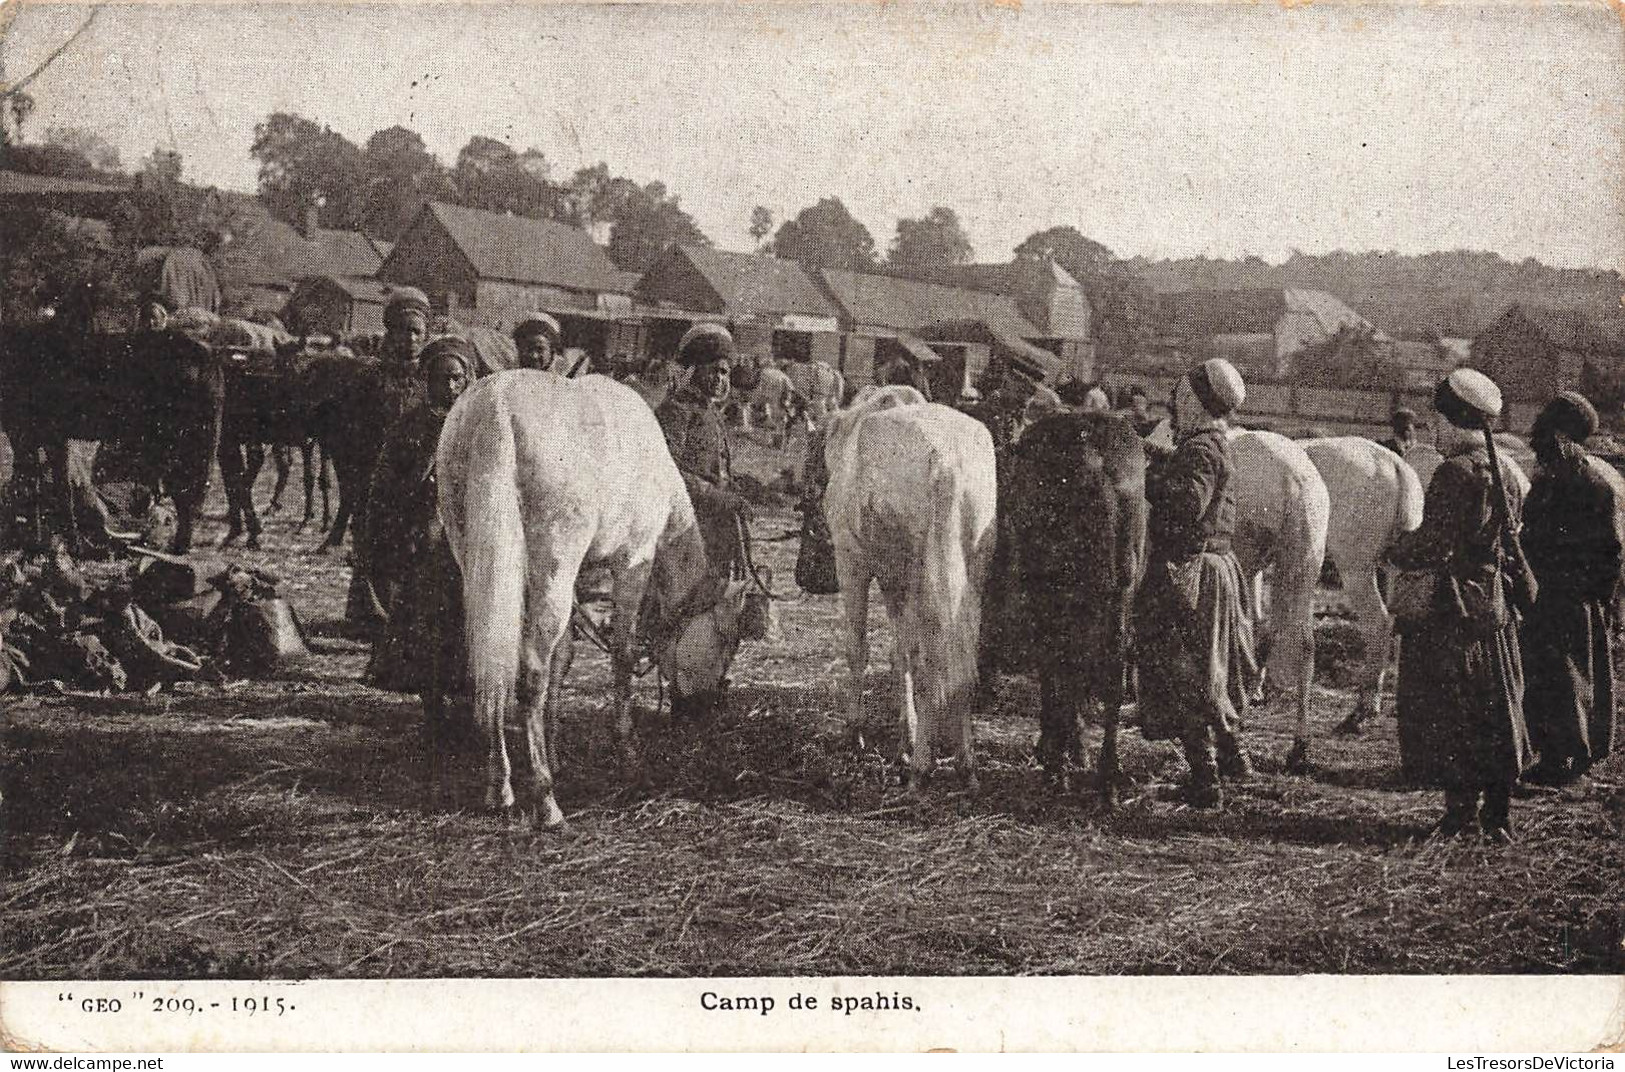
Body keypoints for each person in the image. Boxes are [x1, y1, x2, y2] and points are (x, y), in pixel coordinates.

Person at [1386, 368, 1531, 841]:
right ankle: (1498, 814)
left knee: (1452, 709)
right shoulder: (1503, 470)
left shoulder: (1454, 472)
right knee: (1496, 707)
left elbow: (1433, 544)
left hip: (1454, 610)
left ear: (1454, 420)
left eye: (1439, 421)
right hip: (1493, 609)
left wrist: (1395, 549)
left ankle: (1460, 814)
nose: (1434, 430)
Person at [1134, 357, 1258, 809]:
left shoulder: (1200, 449)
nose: (1175, 400)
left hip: (1193, 574)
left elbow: (1188, 502)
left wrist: (1147, 480)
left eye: (1182, 393)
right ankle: (1233, 757)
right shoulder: (1213, 443)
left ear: (1195, 399)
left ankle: (1204, 778)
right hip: (1218, 569)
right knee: (1212, 669)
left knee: (1184, 669)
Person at [361, 336, 474, 751]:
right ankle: (432, 710)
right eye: (441, 379)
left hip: (465, 543)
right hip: (423, 543)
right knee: (426, 628)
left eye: (457, 379)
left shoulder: (475, 426)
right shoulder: (409, 426)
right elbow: (385, 487)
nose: (450, 387)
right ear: (426, 381)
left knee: (466, 626)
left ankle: (466, 709)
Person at [1518, 391, 1621, 786]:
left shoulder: (1591, 483)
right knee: (1552, 675)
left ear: (1563, 435)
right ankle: (1556, 754)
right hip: (1550, 593)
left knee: (1569, 677)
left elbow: (1610, 551)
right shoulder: (1552, 478)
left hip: (1572, 597)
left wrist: (1592, 596)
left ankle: (1569, 759)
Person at [343, 286, 433, 629]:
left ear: (425, 335)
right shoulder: (370, 378)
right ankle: (367, 611)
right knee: (371, 538)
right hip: (373, 472)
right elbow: (352, 431)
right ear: (388, 332)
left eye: (416, 332)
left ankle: (406, 615)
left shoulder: (431, 379)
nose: (409, 339)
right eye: (401, 330)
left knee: (412, 544)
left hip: (417, 474)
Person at [655, 323, 750, 582]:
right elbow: (667, 471)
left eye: (725, 373)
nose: (721, 379)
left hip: (715, 525)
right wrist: (718, 497)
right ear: (695, 371)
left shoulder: (712, 413)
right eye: (715, 371)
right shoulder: (676, 410)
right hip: (683, 523)